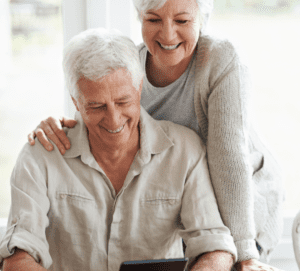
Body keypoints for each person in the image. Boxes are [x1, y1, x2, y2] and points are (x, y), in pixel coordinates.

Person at [27, 0, 285, 270]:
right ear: (139, 16)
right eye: (153, 19)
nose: (167, 34)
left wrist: (245, 252)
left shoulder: (220, 59)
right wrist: (56, 131)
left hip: (243, 198)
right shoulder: (129, 67)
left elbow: (228, 158)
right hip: (188, 199)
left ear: (202, 17)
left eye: (182, 21)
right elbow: (96, 129)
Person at [0, 28, 237, 271]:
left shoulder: (184, 151)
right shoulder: (40, 157)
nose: (113, 120)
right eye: (96, 106)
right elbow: (19, 255)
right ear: (76, 102)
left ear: (139, 89)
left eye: (123, 102)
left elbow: (215, 247)